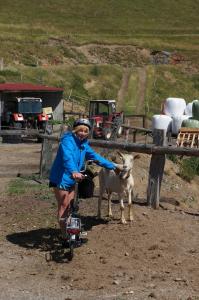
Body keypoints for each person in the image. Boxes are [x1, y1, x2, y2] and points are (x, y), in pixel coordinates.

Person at [49, 118, 123, 238]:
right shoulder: (67, 141)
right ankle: (64, 235)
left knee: (70, 206)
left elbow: (96, 157)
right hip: (61, 177)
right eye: (80, 130)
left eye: (85, 131)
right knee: (64, 204)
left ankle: (70, 230)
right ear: (75, 130)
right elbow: (67, 157)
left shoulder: (84, 145)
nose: (82, 133)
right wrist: (74, 171)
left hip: (73, 178)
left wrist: (113, 166)